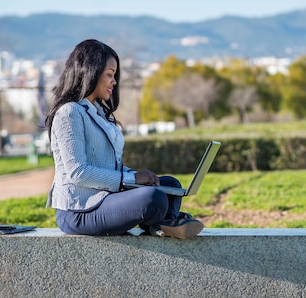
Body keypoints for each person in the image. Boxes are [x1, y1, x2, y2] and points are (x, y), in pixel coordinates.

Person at [44, 39, 204, 239]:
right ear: (90, 72)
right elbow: (78, 172)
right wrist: (132, 179)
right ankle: (165, 222)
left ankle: (162, 224)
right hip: (79, 210)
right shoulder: (69, 113)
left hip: (106, 199)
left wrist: (138, 176)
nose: (114, 81)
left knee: (170, 185)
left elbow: (107, 166)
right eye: (110, 75)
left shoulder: (99, 112)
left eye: (114, 75)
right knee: (153, 198)